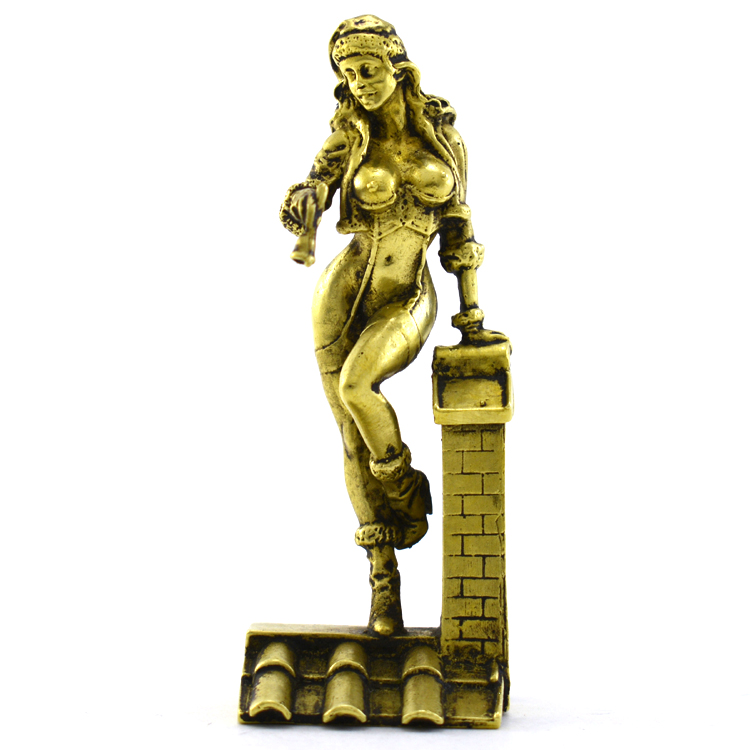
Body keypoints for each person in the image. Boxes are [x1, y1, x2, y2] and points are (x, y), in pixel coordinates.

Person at [280, 15, 506, 636]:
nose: (359, 82)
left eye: (368, 69)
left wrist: (471, 316)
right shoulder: (347, 137)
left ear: (398, 68)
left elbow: (459, 230)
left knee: (359, 386)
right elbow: (316, 185)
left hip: (407, 294)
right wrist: (304, 201)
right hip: (340, 295)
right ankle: (384, 580)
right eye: (348, 74)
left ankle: (404, 486)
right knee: (349, 436)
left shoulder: (443, 137)